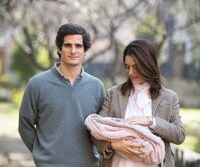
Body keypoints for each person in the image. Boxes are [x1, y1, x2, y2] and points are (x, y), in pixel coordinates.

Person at [18, 23, 105, 167]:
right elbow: (24, 124)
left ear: (85, 51)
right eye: (67, 45)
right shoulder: (37, 84)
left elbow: (102, 129)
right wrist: (41, 154)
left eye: (78, 46)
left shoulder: (97, 87)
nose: (73, 50)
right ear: (59, 48)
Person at [91, 38, 185, 167]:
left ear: (148, 64)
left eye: (136, 67)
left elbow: (179, 135)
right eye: (127, 67)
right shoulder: (113, 94)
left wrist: (151, 121)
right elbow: (96, 132)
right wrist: (113, 145)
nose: (130, 72)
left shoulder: (169, 97)